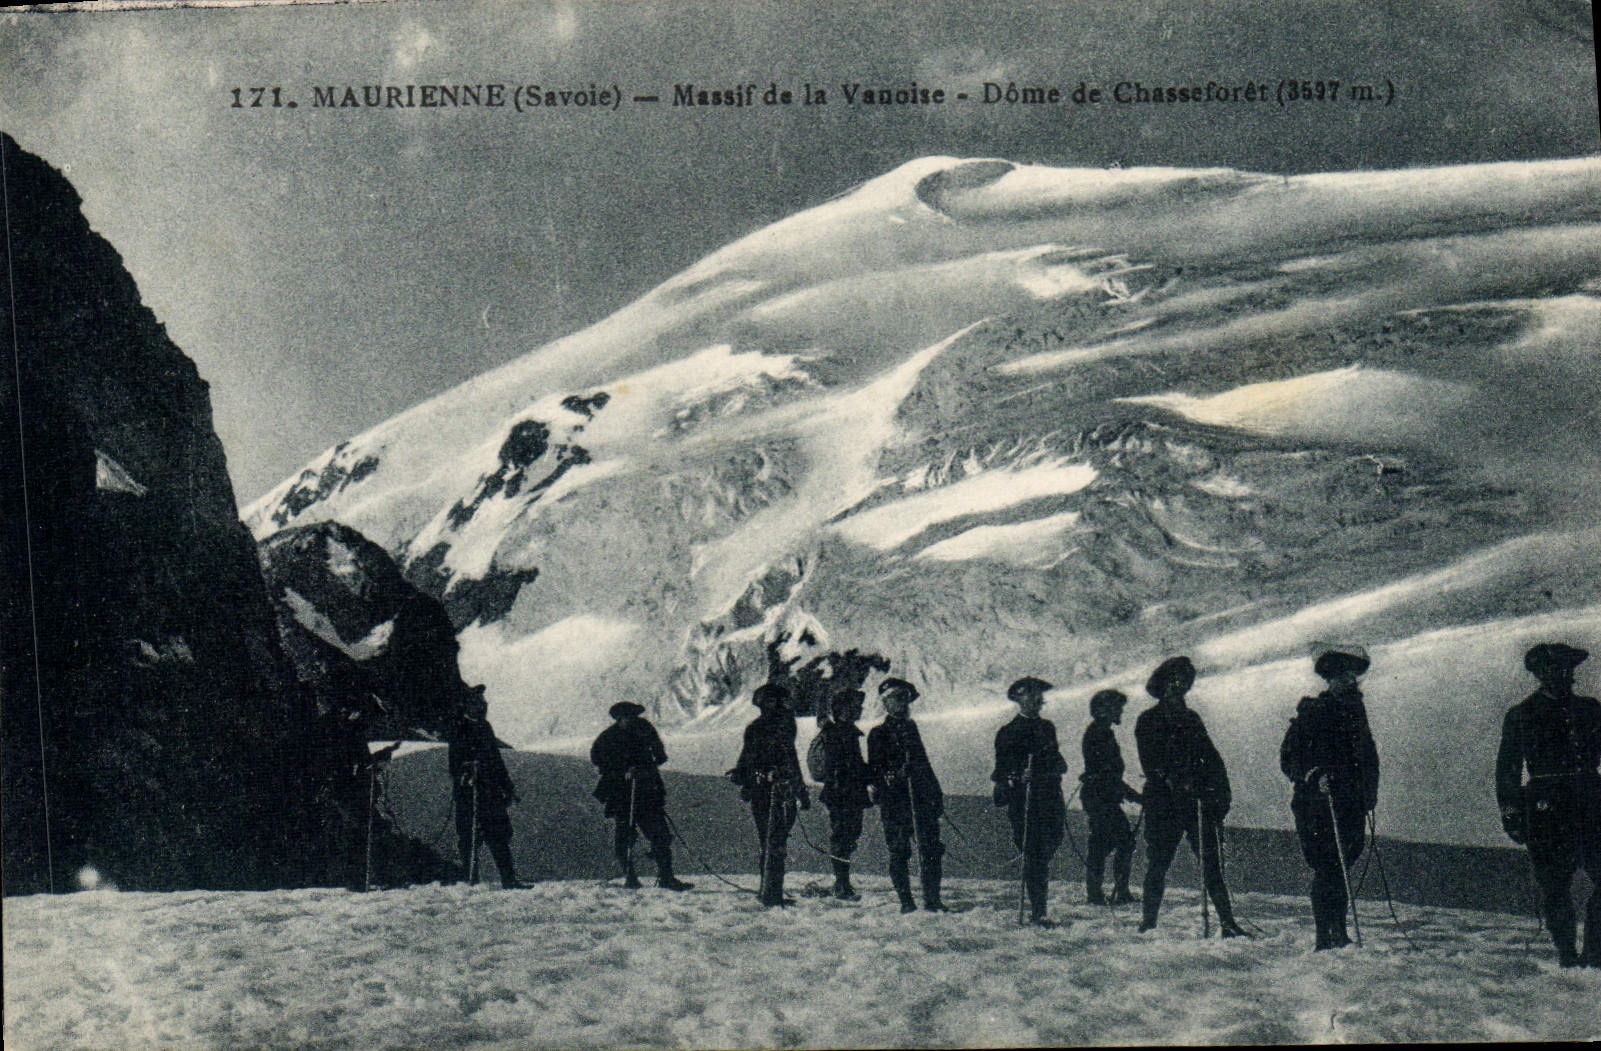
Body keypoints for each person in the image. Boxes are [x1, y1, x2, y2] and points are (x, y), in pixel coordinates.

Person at [1496, 642, 1601, 968]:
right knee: (1555, 888)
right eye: (1552, 670)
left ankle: (1596, 955)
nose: (1561, 675)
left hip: (1592, 806)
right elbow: (1507, 771)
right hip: (1546, 811)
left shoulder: (1591, 709)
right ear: (1539, 674)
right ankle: (1568, 956)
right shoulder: (1521, 715)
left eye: (1567, 669)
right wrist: (1512, 817)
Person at [1279, 644, 1380, 950]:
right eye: (1340, 677)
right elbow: (1289, 757)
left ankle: (1339, 931)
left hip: (1350, 803)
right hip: (1317, 806)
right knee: (1327, 868)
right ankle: (1325, 936)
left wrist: (1368, 792)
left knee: (1341, 867)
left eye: (1351, 677)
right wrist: (1314, 774)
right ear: (1330, 681)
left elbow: (1368, 757)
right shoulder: (1313, 712)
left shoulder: (1357, 716)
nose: (1347, 682)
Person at [1134, 657, 1244, 937]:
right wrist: (1177, 781)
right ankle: (1148, 923)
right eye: (1174, 680)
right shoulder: (1148, 719)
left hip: (1198, 803)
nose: (1179, 685)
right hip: (1164, 803)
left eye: (1184, 681)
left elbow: (1211, 757)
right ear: (1162, 685)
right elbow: (1151, 763)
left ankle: (1228, 923)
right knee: (1158, 863)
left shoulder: (1193, 719)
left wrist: (1220, 790)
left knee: (1211, 864)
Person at [590, 701, 693, 891]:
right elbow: (597, 759)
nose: (631, 720)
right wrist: (622, 771)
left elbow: (660, 755)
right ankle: (630, 876)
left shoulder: (646, 729)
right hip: (621, 794)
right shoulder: (607, 737)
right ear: (618, 719)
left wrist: (645, 767)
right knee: (625, 835)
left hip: (647, 791)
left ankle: (666, 877)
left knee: (660, 834)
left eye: (633, 716)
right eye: (627, 717)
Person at [992, 676, 1068, 925]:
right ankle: (1038, 911)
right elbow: (1001, 772)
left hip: (1050, 800)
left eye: (1039, 695)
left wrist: (1045, 771)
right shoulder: (1007, 732)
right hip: (1025, 804)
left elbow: (1060, 763)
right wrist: (1017, 777)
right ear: (1018, 698)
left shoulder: (1048, 728)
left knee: (1050, 845)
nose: (1037, 699)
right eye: (1031, 694)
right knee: (1034, 854)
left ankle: (1039, 906)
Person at [868, 677, 946, 913]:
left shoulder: (912, 729)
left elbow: (924, 763)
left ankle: (932, 900)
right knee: (899, 850)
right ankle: (906, 902)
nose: (903, 703)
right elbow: (875, 771)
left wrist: (936, 794)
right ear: (886, 702)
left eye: (905, 698)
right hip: (895, 803)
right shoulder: (877, 734)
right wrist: (897, 775)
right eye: (897, 698)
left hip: (921, 800)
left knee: (931, 848)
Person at [728, 682, 810, 906]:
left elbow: (791, 760)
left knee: (776, 840)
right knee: (771, 840)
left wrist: (801, 791)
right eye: (773, 701)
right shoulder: (758, 728)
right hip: (764, 790)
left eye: (779, 701)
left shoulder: (784, 726)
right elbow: (748, 758)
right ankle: (770, 891)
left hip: (781, 789)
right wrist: (749, 779)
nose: (778, 706)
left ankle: (771, 889)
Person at [448, 684, 525, 889]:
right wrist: (465, 773)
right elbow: (455, 761)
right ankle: (470, 879)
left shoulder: (485, 727)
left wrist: (508, 787)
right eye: (478, 704)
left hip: (490, 792)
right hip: (469, 793)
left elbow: (496, 760)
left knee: (499, 834)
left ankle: (509, 879)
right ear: (467, 706)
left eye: (483, 704)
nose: (482, 707)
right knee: (469, 836)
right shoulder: (458, 728)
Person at [1081, 689, 1143, 907]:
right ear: (1102, 710)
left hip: (1100, 796)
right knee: (1120, 841)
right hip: (1100, 797)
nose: (1120, 711)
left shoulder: (1102, 732)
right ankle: (1115, 892)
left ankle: (1098, 893)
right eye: (1117, 707)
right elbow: (1107, 775)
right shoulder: (1100, 734)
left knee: (1105, 843)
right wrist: (1135, 796)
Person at [817, 689, 873, 900]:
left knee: (846, 836)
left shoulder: (840, 731)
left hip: (843, 793)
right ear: (843, 708)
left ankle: (842, 881)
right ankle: (842, 884)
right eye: (856, 706)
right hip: (843, 794)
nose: (860, 709)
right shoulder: (840, 733)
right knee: (844, 837)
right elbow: (848, 766)